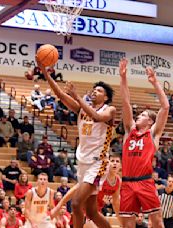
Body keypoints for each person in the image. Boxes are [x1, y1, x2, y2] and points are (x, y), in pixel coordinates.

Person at [39, 57, 116, 228]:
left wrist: (77, 96)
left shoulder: (109, 110)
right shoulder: (82, 109)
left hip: (99, 163)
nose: (94, 92)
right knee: (92, 212)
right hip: (83, 163)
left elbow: (97, 118)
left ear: (106, 97)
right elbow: (59, 94)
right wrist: (45, 73)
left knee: (75, 204)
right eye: (93, 90)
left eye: (99, 91)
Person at [118, 59, 168, 228]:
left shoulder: (153, 133)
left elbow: (165, 107)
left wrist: (155, 83)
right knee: (127, 225)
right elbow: (125, 103)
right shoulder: (128, 131)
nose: (138, 115)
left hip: (145, 181)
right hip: (127, 182)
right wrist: (123, 78)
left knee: (157, 221)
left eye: (143, 115)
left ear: (150, 121)